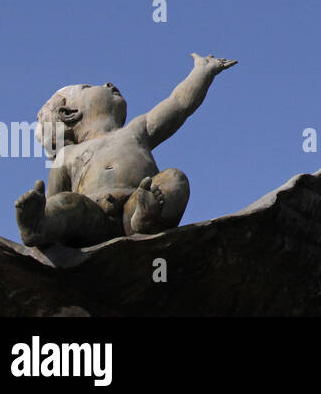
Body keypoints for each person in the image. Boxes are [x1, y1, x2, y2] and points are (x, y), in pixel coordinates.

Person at [14, 53, 236, 248]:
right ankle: (36, 227)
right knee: (68, 203)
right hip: (93, 215)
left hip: (136, 202)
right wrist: (44, 213)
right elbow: (56, 198)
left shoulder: (136, 130)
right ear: (69, 113)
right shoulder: (68, 155)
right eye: (88, 87)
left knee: (175, 179)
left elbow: (178, 104)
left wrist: (202, 72)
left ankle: (148, 219)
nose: (109, 83)